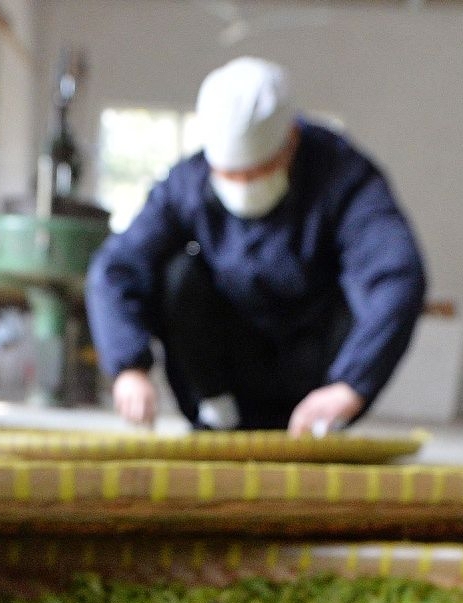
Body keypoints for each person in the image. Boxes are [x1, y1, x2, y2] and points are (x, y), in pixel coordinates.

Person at [86, 57, 427, 436]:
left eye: (259, 171)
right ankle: (217, 412)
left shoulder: (344, 177)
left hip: (317, 372)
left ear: (291, 140)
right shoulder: (187, 185)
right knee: (177, 272)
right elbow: (116, 269)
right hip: (223, 370)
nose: (244, 185)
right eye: (230, 175)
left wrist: (352, 384)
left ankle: (320, 409)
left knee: (368, 289)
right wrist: (128, 368)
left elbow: (396, 275)